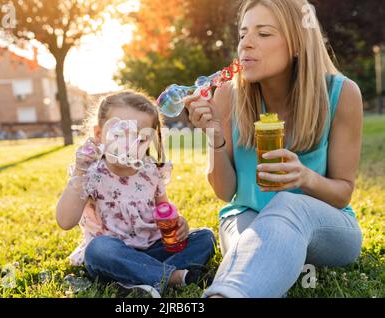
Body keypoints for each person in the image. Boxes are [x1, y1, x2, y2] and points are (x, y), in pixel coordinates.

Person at [184, 0, 363, 298]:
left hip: (325, 225)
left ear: (297, 44)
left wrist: (304, 178)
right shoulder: (228, 93)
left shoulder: (342, 94)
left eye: (264, 34)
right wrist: (213, 136)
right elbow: (225, 191)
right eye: (243, 34)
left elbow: (342, 192)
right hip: (247, 216)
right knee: (253, 242)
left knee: (286, 205)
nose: (246, 45)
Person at [56, 90, 216, 297]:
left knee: (205, 237)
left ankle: (139, 277)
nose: (129, 146)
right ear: (98, 134)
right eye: (121, 135)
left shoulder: (151, 171)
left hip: (154, 248)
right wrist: (79, 174)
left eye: (141, 138)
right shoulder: (91, 174)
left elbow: (164, 213)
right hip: (113, 253)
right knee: (98, 250)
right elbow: (65, 221)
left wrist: (179, 224)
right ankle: (175, 276)